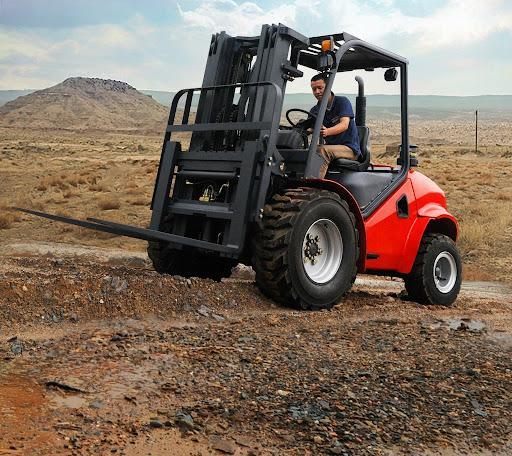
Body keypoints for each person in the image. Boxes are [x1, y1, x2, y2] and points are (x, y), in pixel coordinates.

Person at [309, 73, 361, 178]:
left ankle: (313, 186)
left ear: (328, 87)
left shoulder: (342, 102)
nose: (317, 92)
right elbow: (310, 128)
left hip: (349, 149)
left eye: (320, 88)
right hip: (332, 148)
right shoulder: (315, 110)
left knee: (321, 150)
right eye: (314, 89)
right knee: (307, 150)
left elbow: (344, 124)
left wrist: (327, 131)